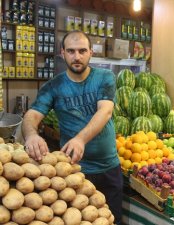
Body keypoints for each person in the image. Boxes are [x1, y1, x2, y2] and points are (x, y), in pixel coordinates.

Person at [22, 30, 123, 224]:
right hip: (74, 172)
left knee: (112, 220)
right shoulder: (54, 86)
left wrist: (80, 139)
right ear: (62, 53)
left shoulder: (105, 77)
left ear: (91, 52)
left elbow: (105, 112)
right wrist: (31, 135)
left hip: (109, 168)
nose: (77, 56)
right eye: (71, 51)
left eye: (82, 51)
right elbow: (32, 116)